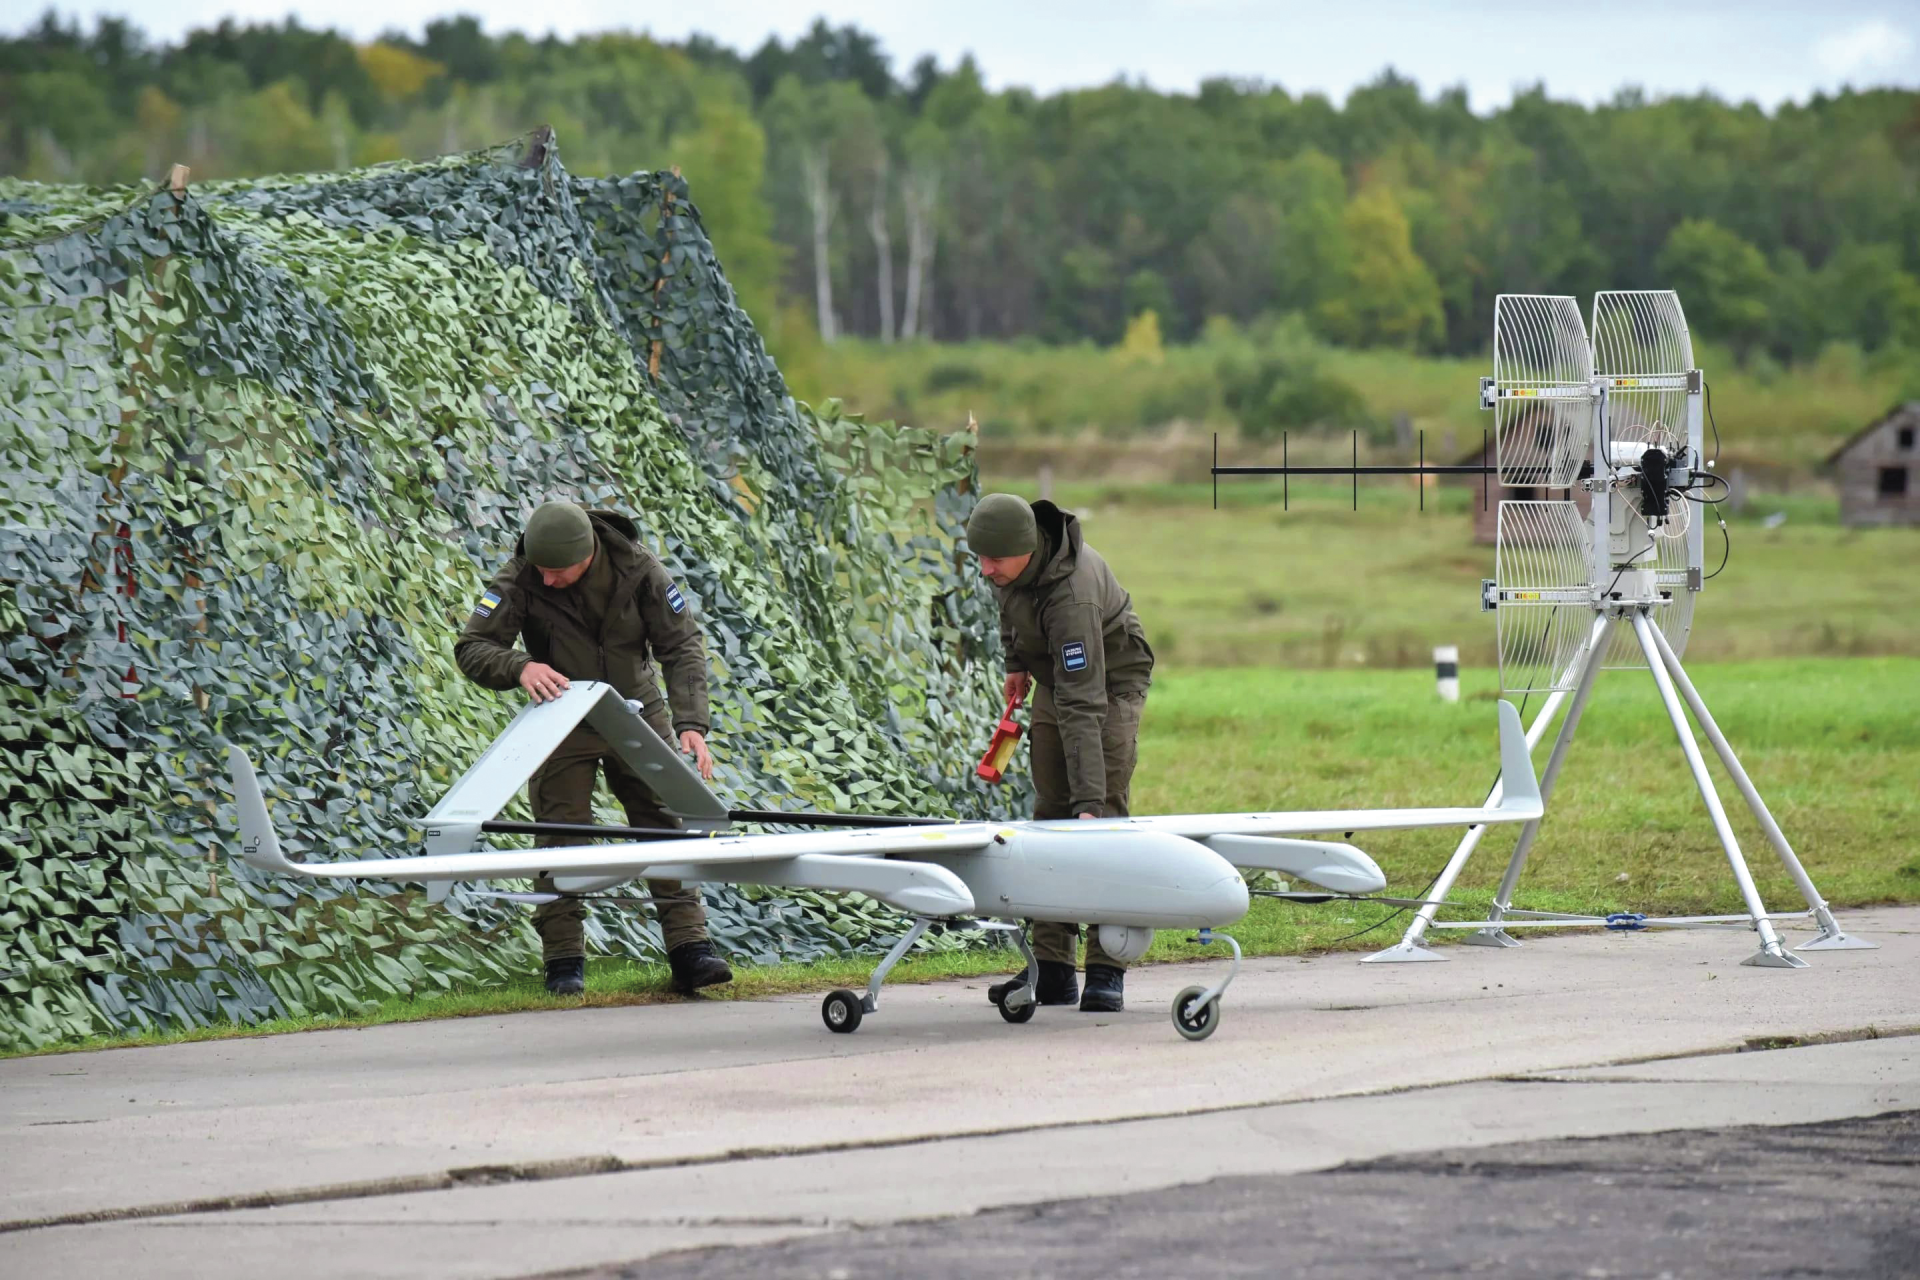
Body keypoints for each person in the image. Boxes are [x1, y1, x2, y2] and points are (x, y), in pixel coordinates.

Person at [455, 501, 734, 997]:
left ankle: (690, 948)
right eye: (539, 570)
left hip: (636, 710)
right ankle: (564, 961)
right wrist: (521, 667)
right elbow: (473, 646)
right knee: (559, 833)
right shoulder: (522, 576)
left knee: (663, 821)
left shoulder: (640, 568)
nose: (546, 579)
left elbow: (681, 644)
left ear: (587, 555)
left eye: (556, 571)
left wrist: (691, 724)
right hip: (561, 713)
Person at [966, 492, 1154, 1012]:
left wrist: (1088, 799)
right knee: (1049, 818)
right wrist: (1016, 661)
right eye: (979, 558)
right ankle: (1051, 968)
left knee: (1101, 822)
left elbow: (1084, 705)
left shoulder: (1073, 597)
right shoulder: (1010, 567)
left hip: (1108, 686)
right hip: (1058, 678)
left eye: (994, 560)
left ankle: (1105, 969)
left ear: (1026, 550)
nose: (986, 570)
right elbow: (1013, 608)